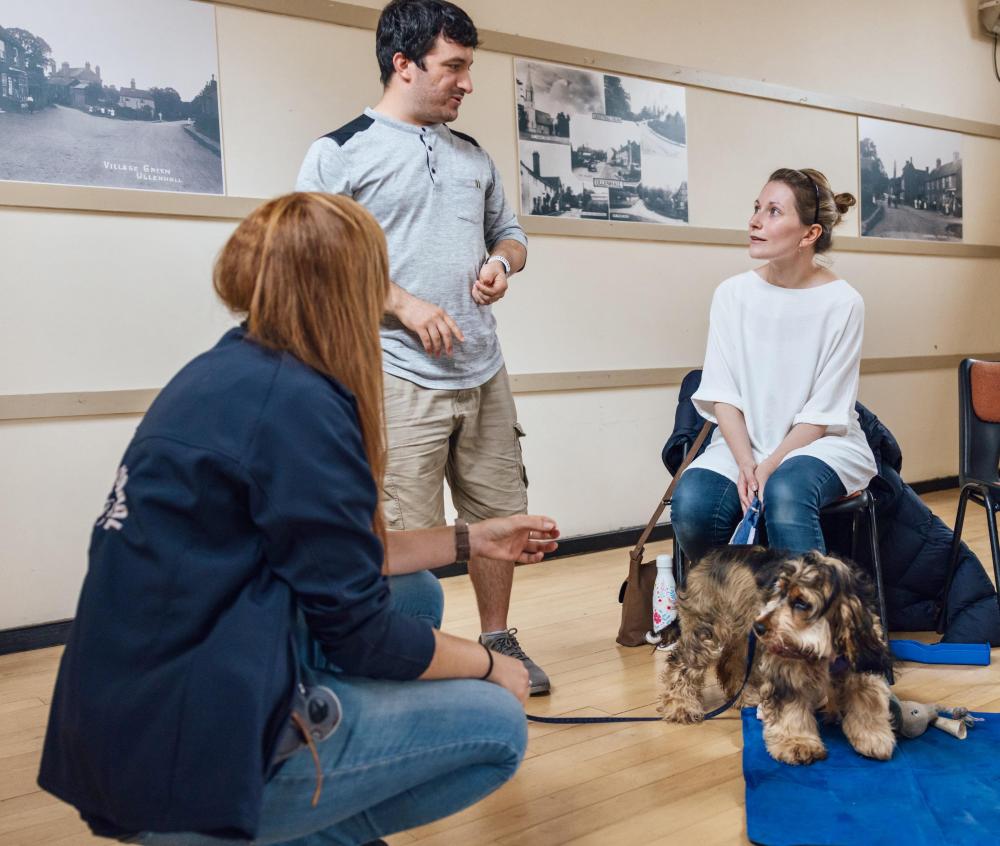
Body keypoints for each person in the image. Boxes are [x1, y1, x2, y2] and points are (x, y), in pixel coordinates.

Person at [37, 193, 560, 845]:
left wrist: (470, 537)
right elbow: (360, 635)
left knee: (418, 594)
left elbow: (340, 551)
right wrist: (491, 666)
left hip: (123, 714)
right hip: (184, 758)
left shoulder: (227, 369)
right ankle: (264, 825)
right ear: (347, 289)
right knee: (496, 726)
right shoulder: (299, 406)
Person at [295, 0, 549, 693]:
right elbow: (311, 258)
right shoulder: (339, 152)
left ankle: (497, 640)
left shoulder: (473, 155)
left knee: (496, 515)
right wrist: (401, 303)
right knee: (411, 528)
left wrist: (502, 262)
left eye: (469, 67)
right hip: (397, 376)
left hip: (483, 369)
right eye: (455, 67)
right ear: (403, 65)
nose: (467, 82)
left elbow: (514, 233)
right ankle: (425, 656)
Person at [670, 168, 878, 563]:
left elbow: (823, 414)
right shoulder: (732, 294)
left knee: (785, 492)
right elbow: (722, 394)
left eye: (773, 211)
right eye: (756, 208)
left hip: (820, 444)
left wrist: (771, 464)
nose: (755, 220)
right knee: (693, 505)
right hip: (740, 444)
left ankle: (807, 621)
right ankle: (739, 612)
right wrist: (748, 462)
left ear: (809, 234)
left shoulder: (844, 303)